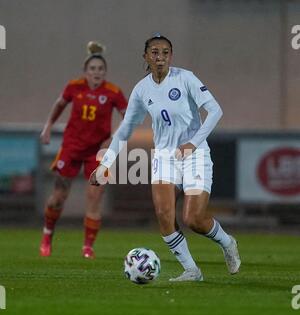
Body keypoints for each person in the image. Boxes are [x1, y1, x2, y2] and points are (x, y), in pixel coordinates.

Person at [90, 34, 241, 280]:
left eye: (165, 53)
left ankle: (227, 242)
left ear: (170, 56)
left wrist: (193, 142)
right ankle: (191, 270)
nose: (160, 57)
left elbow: (215, 110)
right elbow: (126, 129)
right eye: (155, 53)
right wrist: (105, 164)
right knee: (163, 214)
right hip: (164, 156)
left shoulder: (185, 78)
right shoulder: (142, 89)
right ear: (146, 57)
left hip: (195, 153)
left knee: (193, 219)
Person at [39, 41, 127, 259]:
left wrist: (115, 137)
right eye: (92, 69)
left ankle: (88, 247)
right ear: (85, 72)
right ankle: (47, 236)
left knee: (95, 194)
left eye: (100, 69)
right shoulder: (74, 87)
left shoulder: (113, 92)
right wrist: (48, 126)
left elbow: (128, 116)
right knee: (58, 197)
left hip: (96, 151)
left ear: (105, 72)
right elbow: (59, 104)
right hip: (71, 147)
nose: (96, 72)